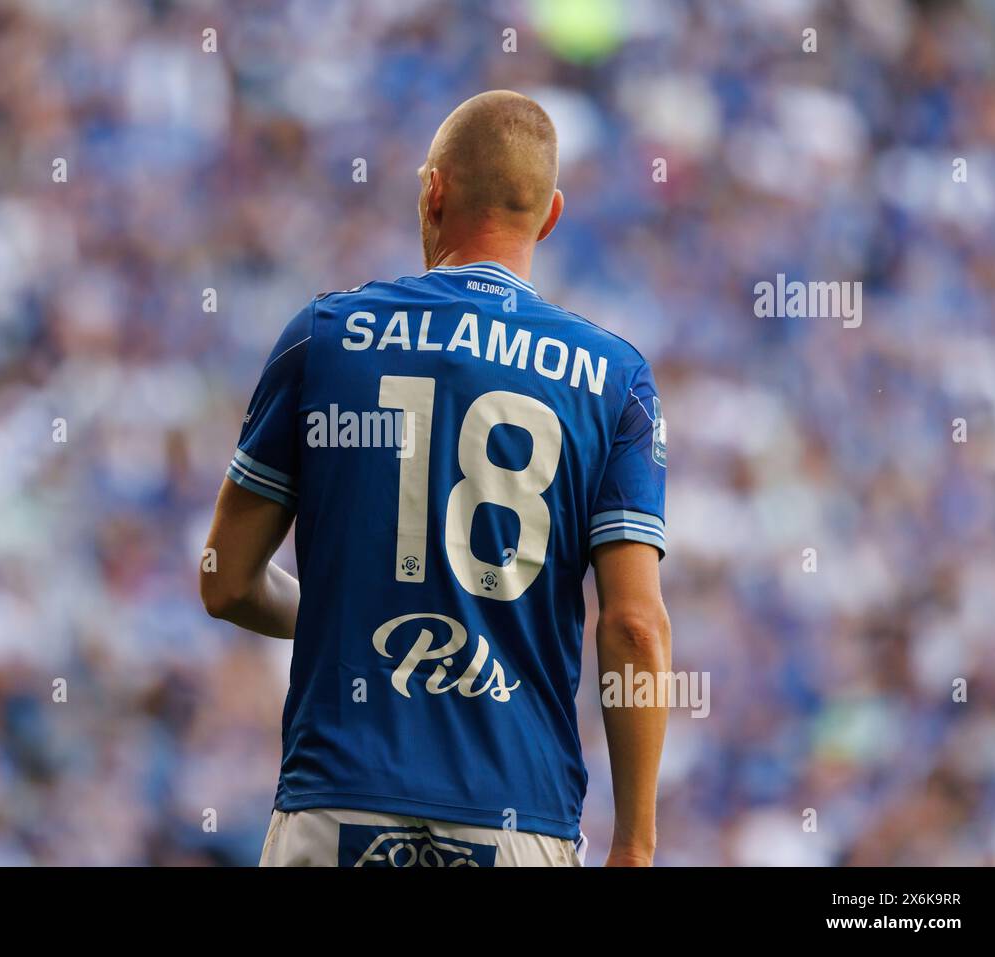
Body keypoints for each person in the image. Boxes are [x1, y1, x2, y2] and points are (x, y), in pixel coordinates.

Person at [201, 90, 671, 867]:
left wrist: (347, 613)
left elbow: (224, 580)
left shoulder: (324, 336)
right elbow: (633, 628)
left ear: (433, 192)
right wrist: (635, 843)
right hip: (516, 815)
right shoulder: (615, 379)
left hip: (335, 798)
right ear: (549, 217)